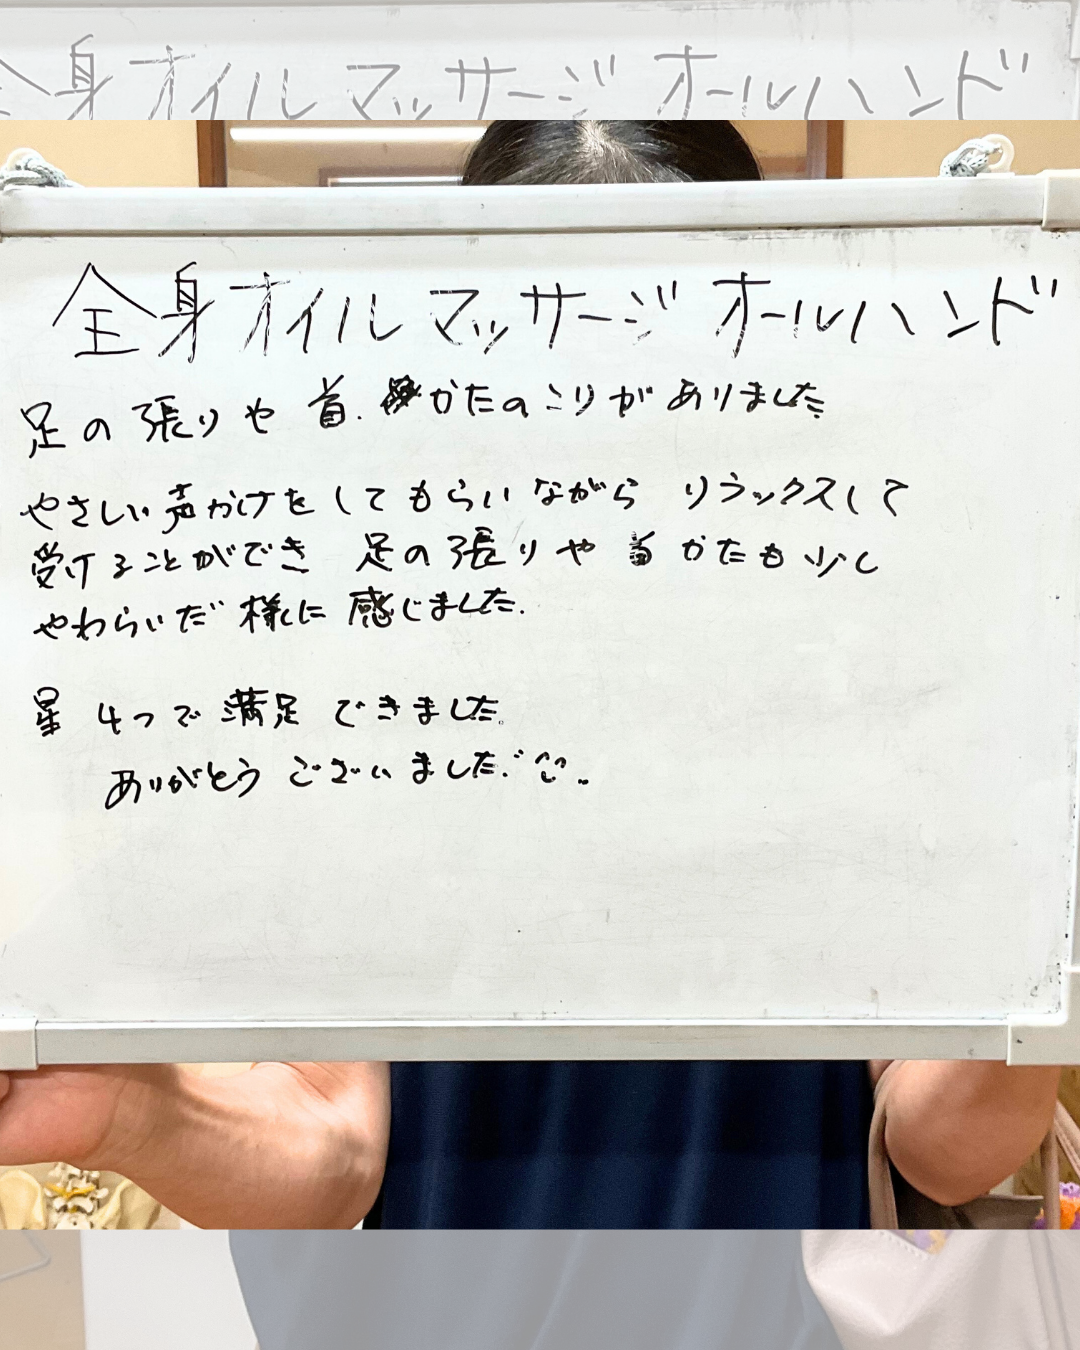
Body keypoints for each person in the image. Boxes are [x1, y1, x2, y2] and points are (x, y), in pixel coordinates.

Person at [0, 122, 1063, 1231]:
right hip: (442, 1303)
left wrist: (1039, 947)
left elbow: (937, 1151)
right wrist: (128, 1112)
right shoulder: (369, 688)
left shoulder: (868, 678)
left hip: (781, 1300)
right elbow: (336, 1150)